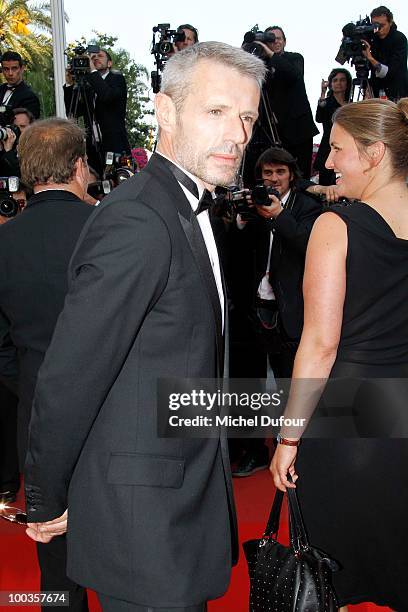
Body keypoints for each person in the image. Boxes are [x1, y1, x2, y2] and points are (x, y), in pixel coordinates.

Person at [24, 42, 265, 611]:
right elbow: (71, 374)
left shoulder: (189, 208)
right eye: (217, 111)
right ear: (165, 111)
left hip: (180, 505)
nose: (238, 133)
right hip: (143, 528)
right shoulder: (139, 217)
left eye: (247, 116)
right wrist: (45, 495)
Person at [271, 98, 408, 611]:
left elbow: (320, 345)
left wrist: (288, 437)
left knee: (329, 580)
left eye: (337, 149)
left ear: (373, 154)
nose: (328, 162)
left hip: (349, 426)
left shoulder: (337, 226)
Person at [0, 118, 94, 611]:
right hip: (110, 413)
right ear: (79, 166)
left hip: (36, 413)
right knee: (128, 548)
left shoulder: (4, 240)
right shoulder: (107, 228)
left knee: (56, 568)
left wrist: (32, 381)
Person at [231, 147, 321, 477]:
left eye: (279, 173)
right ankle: (254, 450)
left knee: (291, 384)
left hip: (291, 311)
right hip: (255, 309)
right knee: (248, 385)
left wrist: (279, 215)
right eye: (267, 173)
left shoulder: (308, 208)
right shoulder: (255, 204)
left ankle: (293, 449)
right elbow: (237, 255)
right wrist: (242, 220)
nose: (272, 179)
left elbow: (307, 245)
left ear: (291, 175)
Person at [249, 26, 318, 182]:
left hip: (298, 131)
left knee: (300, 177)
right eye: (271, 39)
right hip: (272, 131)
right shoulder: (261, 65)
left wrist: (270, 54)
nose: (275, 41)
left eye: (278, 38)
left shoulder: (294, 59)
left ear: (285, 42)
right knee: (276, 176)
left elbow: (293, 75)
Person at [64, 48, 130, 173]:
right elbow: (73, 113)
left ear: (109, 63)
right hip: (93, 146)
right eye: (92, 57)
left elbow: (106, 96)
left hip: (114, 144)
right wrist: (69, 84)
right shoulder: (88, 85)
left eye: (99, 56)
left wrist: (92, 71)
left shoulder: (116, 79)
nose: (95, 58)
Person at [313, 68, 352, 185]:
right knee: (326, 185)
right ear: (330, 83)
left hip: (348, 148)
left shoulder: (351, 103)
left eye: (342, 80)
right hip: (328, 148)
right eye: (335, 80)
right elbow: (319, 118)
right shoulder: (326, 102)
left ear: (347, 83)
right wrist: (322, 93)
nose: (338, 83)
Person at [361, 5, 408, 100]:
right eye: (375, 26)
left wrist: (370, 58)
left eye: (381, 25)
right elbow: (340, 59)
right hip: (376, 91)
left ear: (390, 22)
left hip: (397, 94)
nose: (378, 29)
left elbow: (389, 72)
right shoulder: (372, 37)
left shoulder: (399, 39)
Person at [0, 51, 41, 118]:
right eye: (6, 69)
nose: (10, 73)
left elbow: (30, 125)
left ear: (22, 69)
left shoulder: (30, 97)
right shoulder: (1, 89)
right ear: (2, 70)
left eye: (14, 68)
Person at [0, 107, 35, 177]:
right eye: (14, 126)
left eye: (22, 126)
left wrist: (8, 151)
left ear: (32, 128)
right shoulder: (5, 146)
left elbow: (23, 176)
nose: (17, 130)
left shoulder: (36, 150)